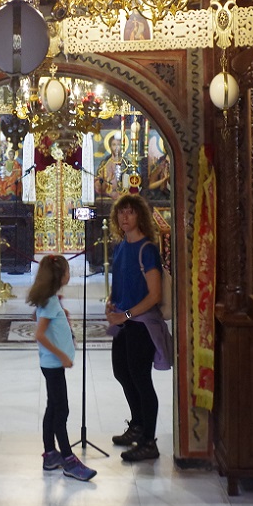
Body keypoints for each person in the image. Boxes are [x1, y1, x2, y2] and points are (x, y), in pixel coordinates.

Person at [103, 193, 170, 462]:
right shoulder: (120, 247)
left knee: (141, 379)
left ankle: (148, 442)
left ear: (140, 216)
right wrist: (112, 303)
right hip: (124, 321)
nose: (124, 217)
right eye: (121, 213)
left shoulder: (147, 249)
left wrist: (127, 314)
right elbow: (121, 282)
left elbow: (154, 295)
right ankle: (138, 426)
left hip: (141, 324)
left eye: (130, 212)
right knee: (122, 372)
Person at [27, 254, 97, 482]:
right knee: (61, 411)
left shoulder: (50, 300)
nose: (69, 274)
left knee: (53, 407)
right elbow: (39, 335)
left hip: (52, 364)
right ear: (60, 276)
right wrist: (63, 356)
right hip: (54, 364)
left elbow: (40, 318)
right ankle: (68, 459)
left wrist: (59, 314)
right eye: (67, 271)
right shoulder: (49, 301)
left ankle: (50, 454)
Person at [95, 133, 125, 201]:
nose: (116, 147)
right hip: (107, 196)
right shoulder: (104, 163)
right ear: (110, 147)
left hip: (123, 196)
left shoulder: (126, 163)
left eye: (118, 144)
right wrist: (102, 182)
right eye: (114, 145)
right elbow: (98, 182)